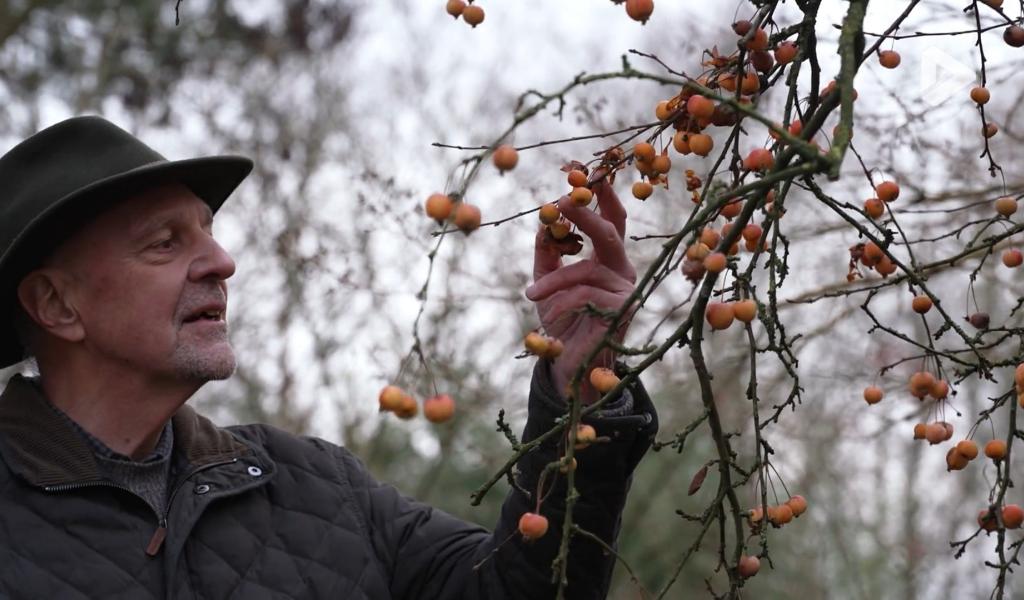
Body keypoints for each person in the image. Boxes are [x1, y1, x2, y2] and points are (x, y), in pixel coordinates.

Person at [0, 116, 656, 599]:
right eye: (165, 244)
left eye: (208, 229)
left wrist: (580, 392)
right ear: (58, 306)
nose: (223, 263)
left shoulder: (318, 487)